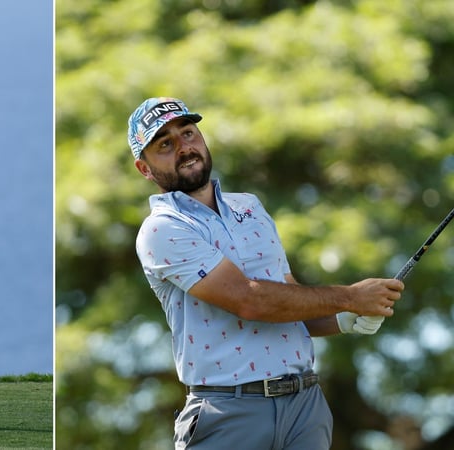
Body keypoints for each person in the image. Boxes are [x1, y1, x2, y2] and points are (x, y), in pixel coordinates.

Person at [127, 97, 403, 449]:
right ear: (144, 168)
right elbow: (250, 300)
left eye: (189, 133)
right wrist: (350, 296)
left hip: (305, 408)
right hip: (228, 413)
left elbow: (288, 303)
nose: (184, 147)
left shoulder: (250, 207)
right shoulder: (161, 229)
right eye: (165, 144)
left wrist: (344, 318)